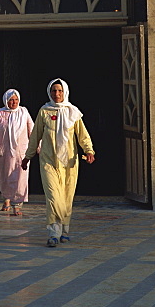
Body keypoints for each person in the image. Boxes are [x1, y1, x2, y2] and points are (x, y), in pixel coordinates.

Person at [21, 78, 94, 247]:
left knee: (67, 197)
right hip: (48, 160)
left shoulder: (73, 112)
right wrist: (28, 156)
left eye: (60, 91)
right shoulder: (44, 111)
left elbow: (82, 135)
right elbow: (35, 136)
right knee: (53, 197)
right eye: (54, 91)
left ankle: (65, 229)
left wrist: (89, 150)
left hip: (69, 162)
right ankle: (54, 232)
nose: (57, 94)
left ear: (65, 92)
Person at [0, 88, 34, 215]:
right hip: (4, 153)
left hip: (21, 153)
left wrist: (37, 147)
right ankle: (6, 198)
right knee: (5, 177)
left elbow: (32, 131)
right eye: (11, 100)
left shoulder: (24, 112)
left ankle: (17, 204)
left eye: (16, 99)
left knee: (20, 178)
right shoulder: (0, 114)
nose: (14, 102)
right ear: (6, 101)